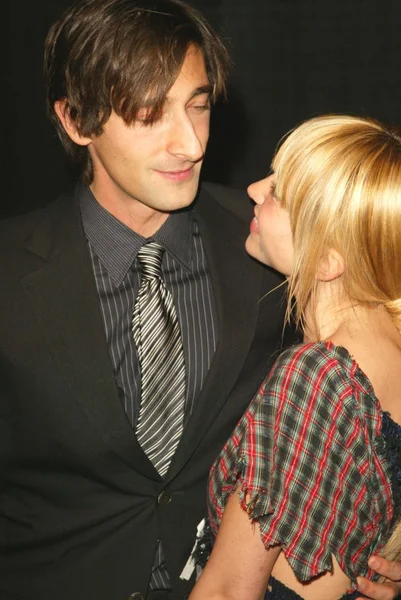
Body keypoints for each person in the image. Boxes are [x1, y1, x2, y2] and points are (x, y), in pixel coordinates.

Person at [0, 0, 399, 597]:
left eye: (198, 104)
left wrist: (374, 543)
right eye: (150, 113)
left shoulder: (277, 240)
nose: (190, 142)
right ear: (77, 121)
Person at [188, 114, 401, 600]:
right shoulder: (391, 350)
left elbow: (227, 592)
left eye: (280, 192)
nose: (254, 188)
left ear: (328, 258)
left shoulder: (319, 373)